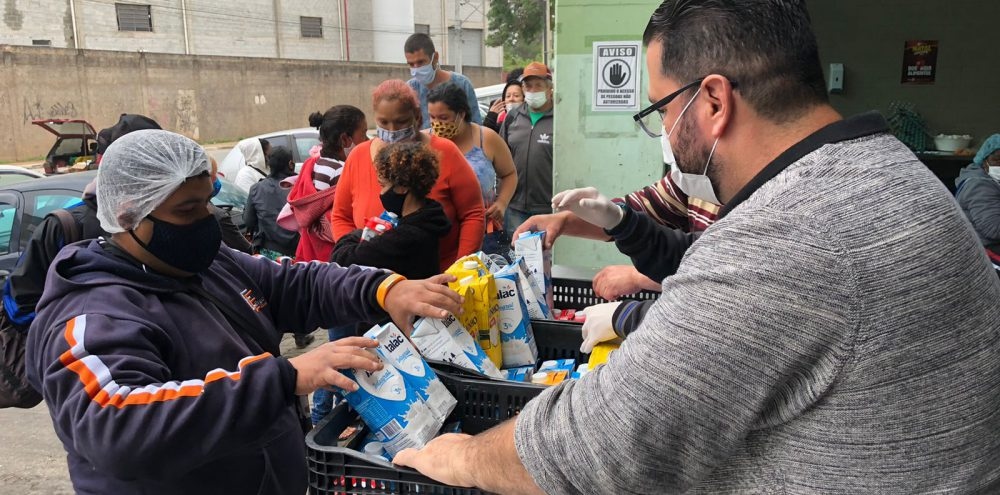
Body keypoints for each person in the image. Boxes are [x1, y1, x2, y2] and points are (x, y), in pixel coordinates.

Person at [394, 1, 1000, 492]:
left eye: (662, 109)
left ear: (713, 101)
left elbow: (600, 444)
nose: (664, 132)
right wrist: (616, 225)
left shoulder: (790, 236)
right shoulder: (890, 170)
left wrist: (462, 457)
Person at [25, 129, 463, 495]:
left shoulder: (206, 263)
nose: (207, 218)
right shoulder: (92, 314)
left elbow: (295, 283)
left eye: (207, 201)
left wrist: (383, 289)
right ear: (128, 216)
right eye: (188, 209)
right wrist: (283, 378)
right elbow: (116, 427)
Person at [332, 79, 485, 272]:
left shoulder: (444, 152)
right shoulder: (358, 156)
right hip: (373, 279)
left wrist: (460, 268)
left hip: (441, 276)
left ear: (417, 117)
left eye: (401, 121)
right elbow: (341, 216)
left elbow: (473, 212)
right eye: (383, 122)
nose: (392, 130)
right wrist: (358, 258)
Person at [331, 142, 451, 280]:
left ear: (402, 187)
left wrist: (360, 233)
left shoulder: (405, 238)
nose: (381, 192)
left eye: (383, 185)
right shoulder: (430, 218)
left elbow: (342, 258)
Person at [427, 83, 517, 253]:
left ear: (461, 114)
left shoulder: (486, 138)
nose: (437, 123)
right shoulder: (425, 142)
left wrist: (502, 202)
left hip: (484, 234)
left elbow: (510, 174)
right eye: (432, 117)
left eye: (444, 118)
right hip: (438, 235)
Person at [500, 61, 555, 234]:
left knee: (548, 251)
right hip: (515, 207)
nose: (532, 90)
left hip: (548, 208)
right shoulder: (512, 117)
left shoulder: (560, 119)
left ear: (549, 88)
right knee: (517, 249)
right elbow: (500, 159)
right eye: (528, 86)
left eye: (538, 85)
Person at [404, 32, 482, 130]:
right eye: (411, 64)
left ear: (435, 57)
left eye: (421, 62)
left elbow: (476, 127)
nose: (416, 69)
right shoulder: (409, 90)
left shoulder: (462, 84)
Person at [245, 146, 299, 260]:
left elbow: (248, 221)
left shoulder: (256, 189)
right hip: (299, 252)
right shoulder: (300, 186)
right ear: (290, 164)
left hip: (269, 255)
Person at [955, 133, 1000, 254]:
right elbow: (993, 229)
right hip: (983, 250)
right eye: (997, 160)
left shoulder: (992, 180)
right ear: (985, 161)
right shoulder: (979, 185)